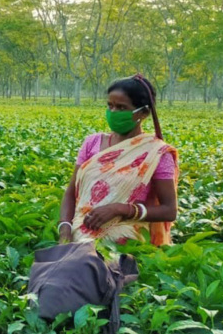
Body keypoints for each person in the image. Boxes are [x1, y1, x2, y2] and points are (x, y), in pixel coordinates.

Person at [57, 74, 179, 248]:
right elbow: (70, 193)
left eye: (121, 108)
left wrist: (121, 209)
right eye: (110, 106)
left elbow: (169, 210)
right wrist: (65, 231)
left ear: (143, 113)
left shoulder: (157, 153)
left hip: (125, 243)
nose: (113, 112)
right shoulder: (92, 143)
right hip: (78, 236)